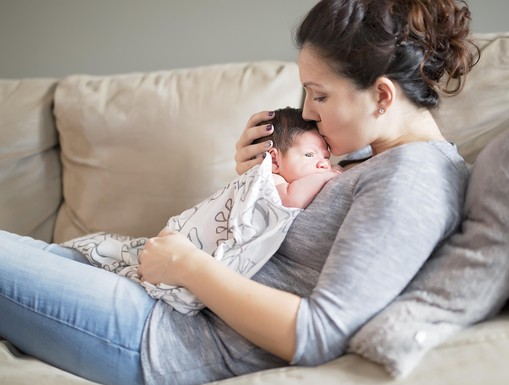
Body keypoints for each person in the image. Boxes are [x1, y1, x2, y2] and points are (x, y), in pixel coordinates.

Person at [0, 1, 478, 385]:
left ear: (382, 95)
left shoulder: (412, 181)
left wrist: (188, 265)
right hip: (153, 293)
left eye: (320, 94)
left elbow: (316, 333)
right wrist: (257, 182)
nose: (307, 113)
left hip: (165, 336)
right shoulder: (369, 157)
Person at [59, 107, 340, 316]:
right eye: (310, 156)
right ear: (274, 160)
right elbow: (291, 199)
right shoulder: (271, 181)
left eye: (325, 158)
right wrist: (331, 176)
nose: (321, 165)